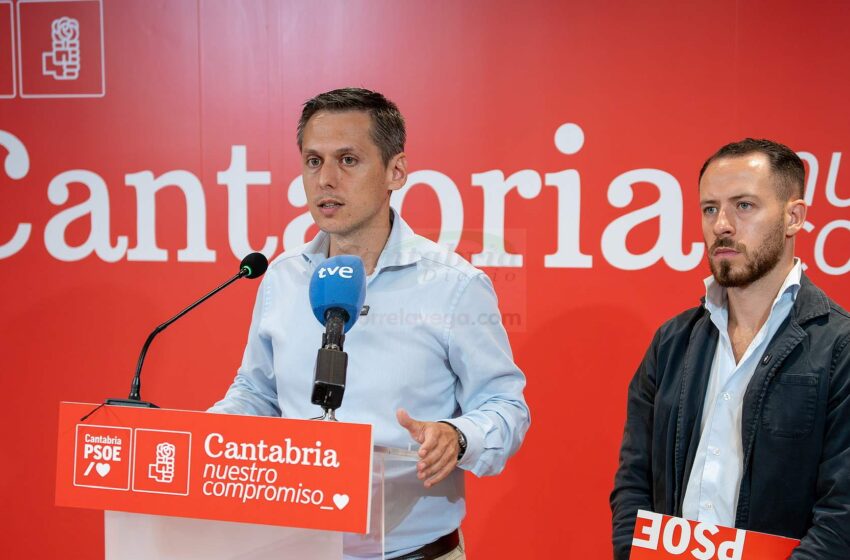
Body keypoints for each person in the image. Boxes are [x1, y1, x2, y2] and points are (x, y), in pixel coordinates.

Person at [210, 87, 530, 559]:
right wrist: (212, 436)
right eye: (314, 162)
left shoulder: (454, 286)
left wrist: (458, 437)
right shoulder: (282, 278)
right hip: (294, 546)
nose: (326, 181)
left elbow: (506, 407)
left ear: (395, 172)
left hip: (413, 551)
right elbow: (258, 392)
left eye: (348, 160)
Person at [610, 138, 850, 559]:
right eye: (709, 208)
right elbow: (634, 482)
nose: (721, 224)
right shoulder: (672, 343)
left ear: (794, 217)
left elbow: (842, 515)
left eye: (744, 206)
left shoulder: (839, 346)